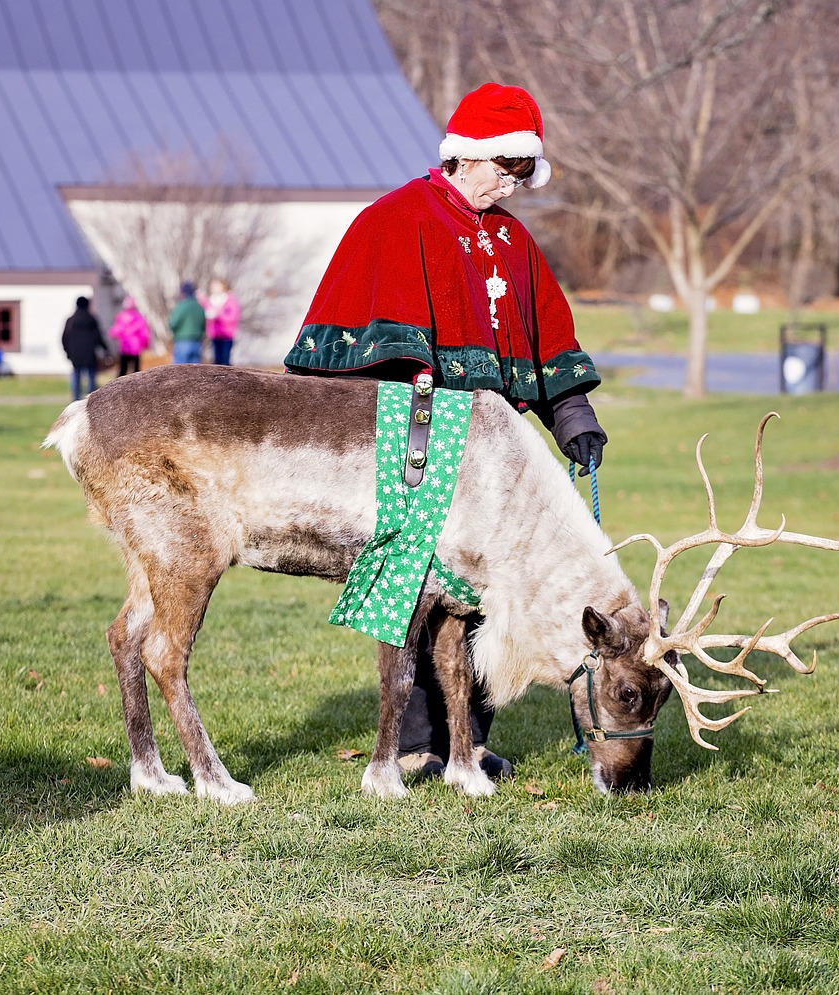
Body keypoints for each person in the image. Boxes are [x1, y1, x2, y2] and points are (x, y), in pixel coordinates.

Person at [284, 82, 608, 782]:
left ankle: (469, 741)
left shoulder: (512, 241)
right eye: (505, 168)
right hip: (417, 451)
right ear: (467, 156)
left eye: (524, 173)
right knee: (417, 593)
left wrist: (574, 417)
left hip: (494, 469)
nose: (513, 185)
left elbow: (547, 333)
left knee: (488, 596)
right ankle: (413, 741)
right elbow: (353, 356)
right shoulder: (397, 220)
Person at [61, 296, 109, 401]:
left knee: (76, 375)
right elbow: (98, 337)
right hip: (89, 354)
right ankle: (91, 399)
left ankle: (75, 399)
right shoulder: (92, 319)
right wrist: (106, 350)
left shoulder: (71, 321)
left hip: (75, 355)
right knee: (91, 376)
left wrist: (68, 353)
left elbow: (64, 338)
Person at [107, 295, 151, 377]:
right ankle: (138, 386)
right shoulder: (139, 317)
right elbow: (145, 332)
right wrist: (146, 344)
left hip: (125, 347)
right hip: (135, 348)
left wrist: (114, 333)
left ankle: (119, 387)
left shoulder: (121, 317)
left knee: (123, 370)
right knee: (136, 371)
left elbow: (115, 331)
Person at [203, 278, 240, 366]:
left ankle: (229, 379)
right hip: (215, 334)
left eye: (216, 285)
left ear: (222, 286)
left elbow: (233, 318)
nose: (213, 288)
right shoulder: (211, 300)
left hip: (227, 334)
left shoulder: (230, 300)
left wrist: (218, 314)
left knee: (225, 360)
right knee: (216, 361)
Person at [168, 281, 206, 364]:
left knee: (179, 371)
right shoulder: (199, 307)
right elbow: (203, 324)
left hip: (182, 341)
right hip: (197, 342)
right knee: (196, 372)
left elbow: (173, 323)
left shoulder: (182, 306)